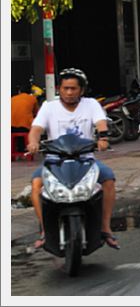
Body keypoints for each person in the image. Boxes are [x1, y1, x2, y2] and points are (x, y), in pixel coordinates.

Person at [27, 68, 120, 250]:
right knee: (37, 184)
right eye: (65, 88)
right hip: (54, 161)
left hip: (86, 160)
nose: (69, 92)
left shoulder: (91, 104)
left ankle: (105, 228)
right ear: (59, 89)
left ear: (82, 90)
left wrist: (103, 138)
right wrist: (33, 143)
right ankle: (45, 231)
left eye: (73, 88)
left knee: (108, 179)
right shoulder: (48, 106)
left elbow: (101, 122)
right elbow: (36, 129)